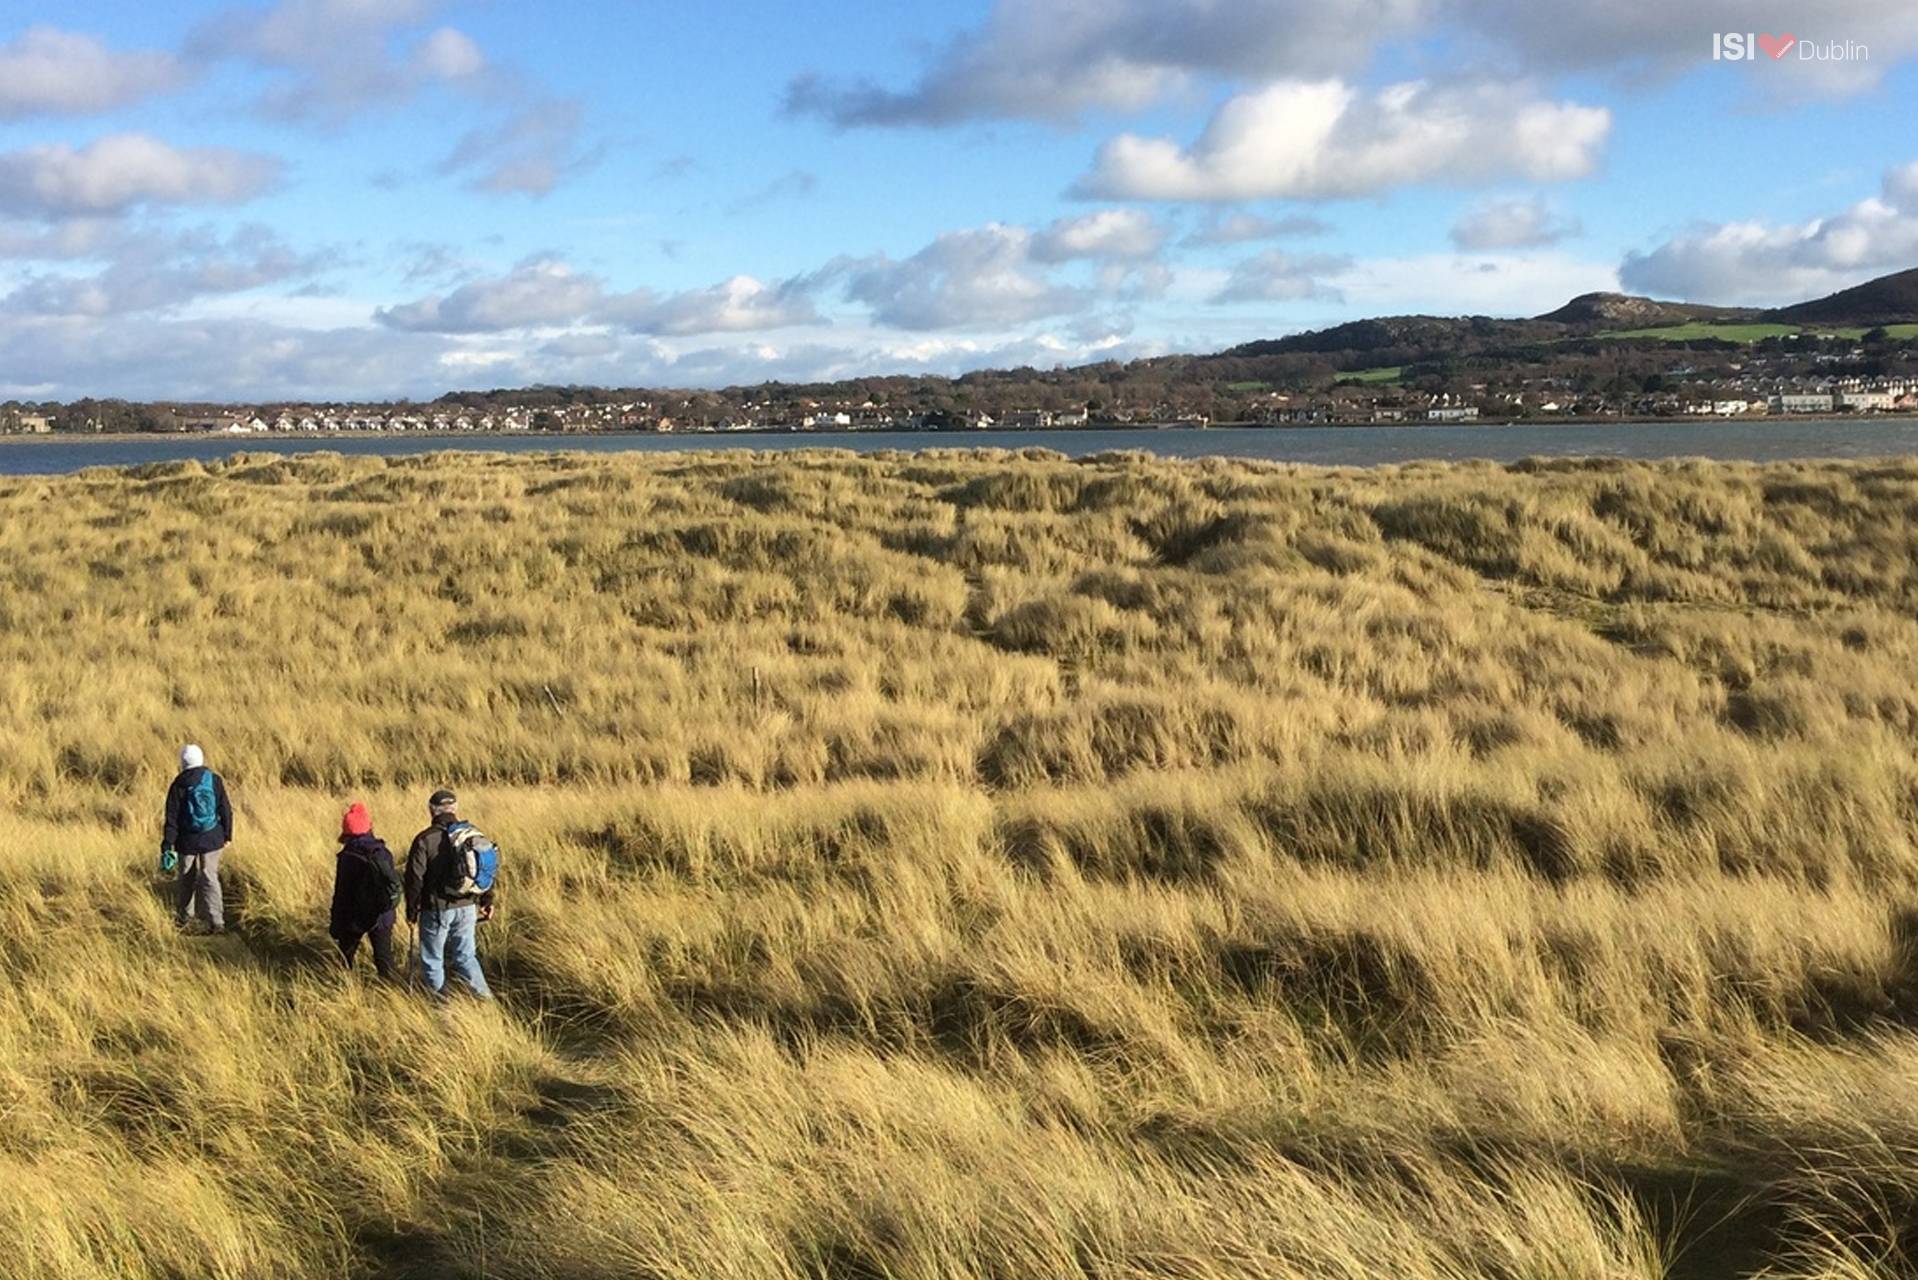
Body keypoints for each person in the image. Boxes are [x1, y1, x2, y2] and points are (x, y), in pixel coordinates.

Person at [404, 789, 495, 1000]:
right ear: (455, 808)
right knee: (466, 957)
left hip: (436, 909)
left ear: (431, 810)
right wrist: (487, 900)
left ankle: (442, 1009)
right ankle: (485, 1000)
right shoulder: (473, 834)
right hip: (468, 906)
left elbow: (414, 879)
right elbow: (486, 868)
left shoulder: (425, 839)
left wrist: (411, 911)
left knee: (432, 959)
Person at [161, 743, 232, 934]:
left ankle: (185, 919)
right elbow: (225, 807)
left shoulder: (178, 784)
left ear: (182, 761)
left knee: (187, 878)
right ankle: (217, 921)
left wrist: (167, 845)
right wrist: (227, 834)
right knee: (210, 876)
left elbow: (172, 818)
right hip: (212, 836)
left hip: (187, 841)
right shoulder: (214, 779)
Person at [330, 803, 401, 979]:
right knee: (384, 958)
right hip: (382, 914)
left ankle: (344, 989)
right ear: (369, 827)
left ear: (346, 831)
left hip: (354, 916)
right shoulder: (383, 852)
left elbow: (341, 894)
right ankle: (392, 992)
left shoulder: (347, 857)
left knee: (345, 958)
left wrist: (336, 923)